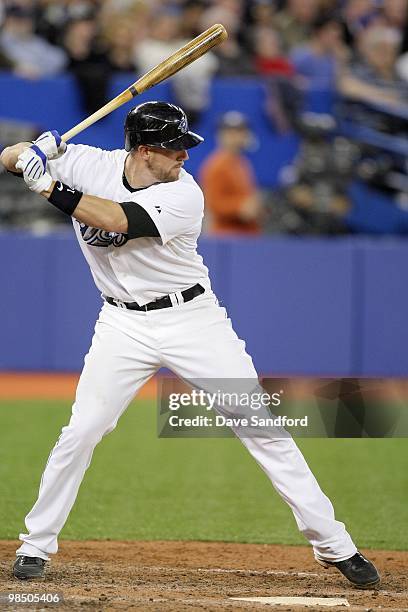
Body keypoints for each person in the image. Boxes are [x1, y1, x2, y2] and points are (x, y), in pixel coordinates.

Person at [1, 101, 380, 589]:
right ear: (143, 150)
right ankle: (35, 545)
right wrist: (31, 151)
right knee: (82, 431)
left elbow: (117, 219)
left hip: (192, 320)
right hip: (121, 324)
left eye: (184, 146)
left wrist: (48, 184)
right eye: (173, 147)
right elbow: (9, 157)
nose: (184, 155)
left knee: (259, 424)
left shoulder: (185, 195)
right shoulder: (88, 163)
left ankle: (335, 545)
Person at [200, 111, 262, 234]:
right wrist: (239, 207)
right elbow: (213, 204)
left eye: (240, 132)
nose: (236, 137)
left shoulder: (242, 162)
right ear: (221, 135)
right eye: (230, 132)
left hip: (247, 234)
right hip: (227, 237)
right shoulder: (216, 165)